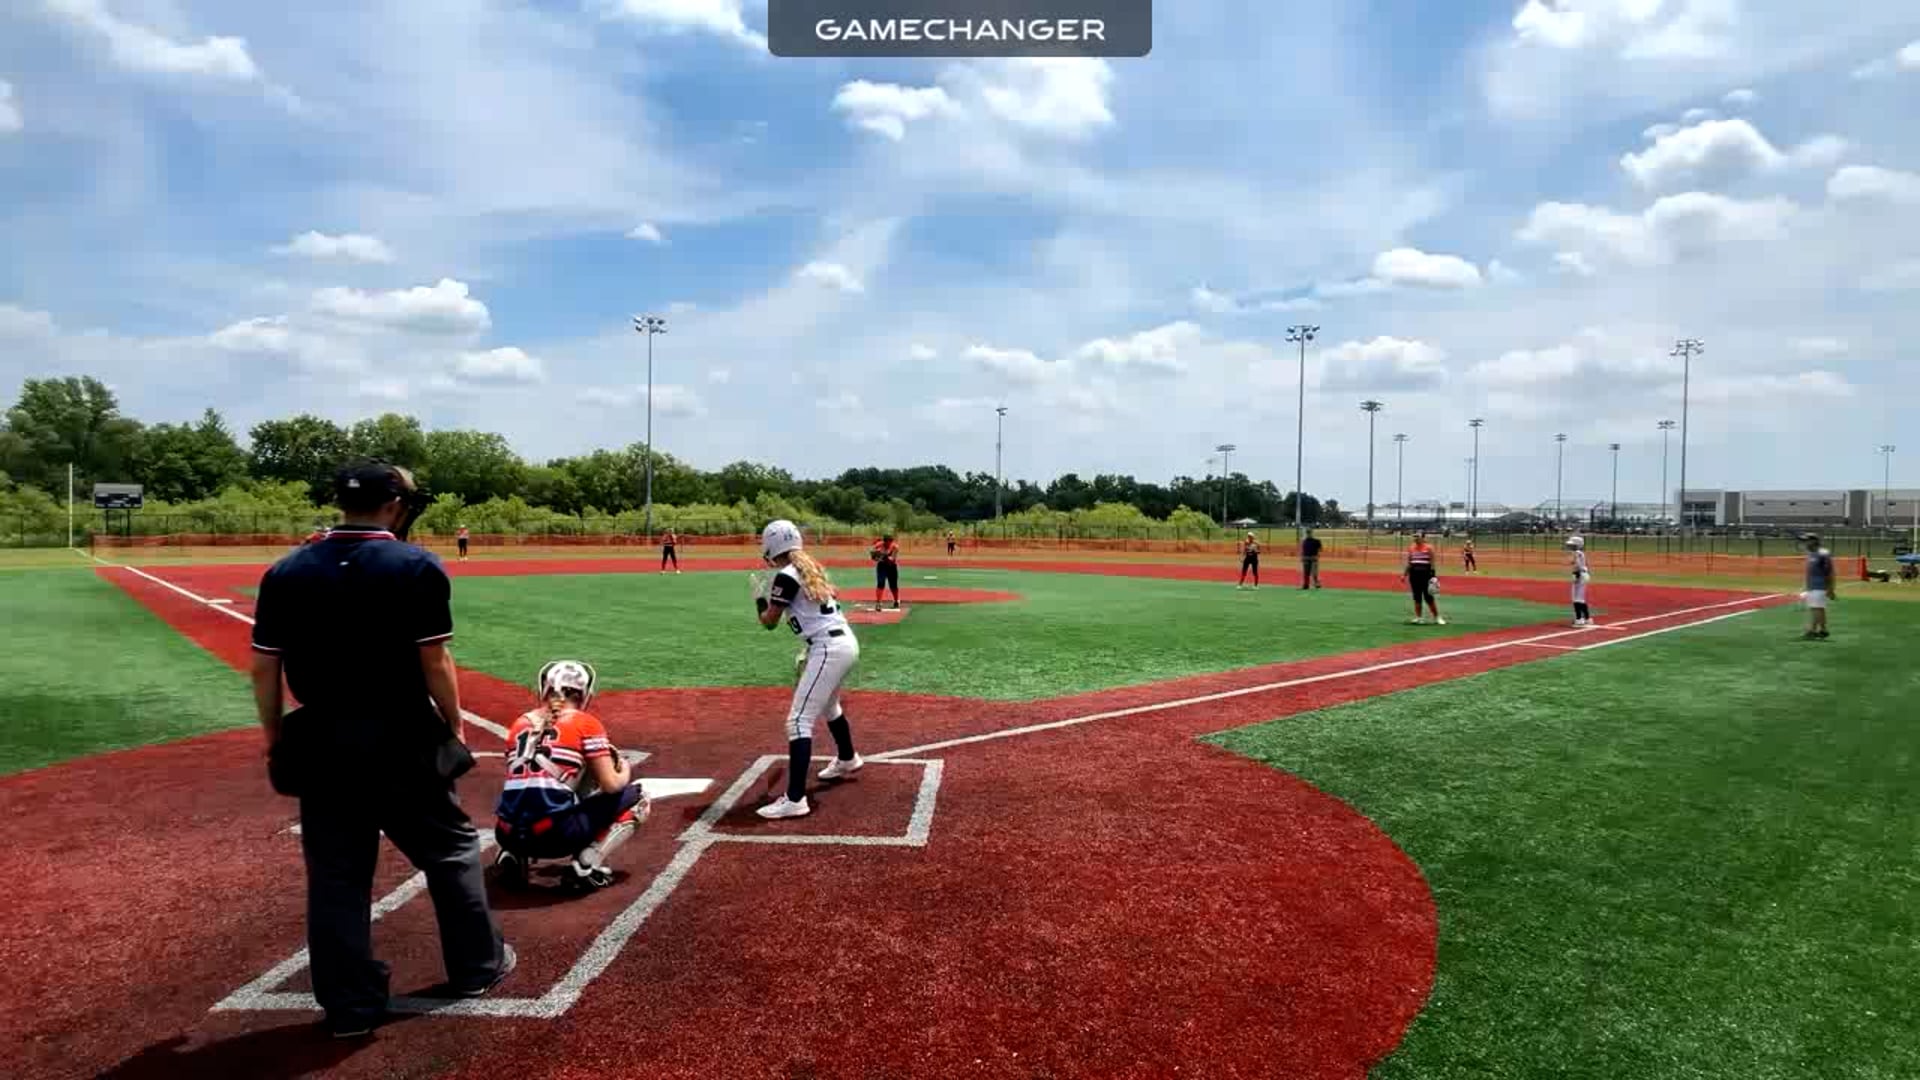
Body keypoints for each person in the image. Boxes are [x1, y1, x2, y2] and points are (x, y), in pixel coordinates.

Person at [250, 458, 511, 1038]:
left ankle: (349, 1008)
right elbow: (434, 659)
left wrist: (274, 737)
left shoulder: (286, 570)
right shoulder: (415, 565)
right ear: (393, 505)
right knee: (450, 851)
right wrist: (453, 725)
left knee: (337, 877)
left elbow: (265, 667)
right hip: (401, 732)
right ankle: (476, 966)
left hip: (322, 736)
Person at [492, 660, 649, 892]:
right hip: (556, 837)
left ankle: (511, 855)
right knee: (640, 798)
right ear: (584, 694)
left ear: (544, 689)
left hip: (506, 833)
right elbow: (611, 785)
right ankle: (586, 865)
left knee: (527, 790)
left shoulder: (519, 724)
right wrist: (624, 768)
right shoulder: (586, 723)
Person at [753, 520, 863, 820]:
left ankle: (795, 799)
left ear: (771, 546)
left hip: (828, 648)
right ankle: (847, 758)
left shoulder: (787, 575)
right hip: (843, 643)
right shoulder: (812, 567)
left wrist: (759, 600)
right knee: (829, 705)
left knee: (798, 721)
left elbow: (769, 622)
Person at [1401, 530, 1446, 625]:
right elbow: (1409, 563)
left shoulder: (1429, 548)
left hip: (1426, 575)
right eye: (1414, 536)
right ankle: (1419, 618)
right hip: (1414, 575)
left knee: (1428, 597)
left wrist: (1433, 576)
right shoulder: (1411, 548)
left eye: (1417, 536)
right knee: (1417, 597)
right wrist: (1404, 575)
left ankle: (1437, 617)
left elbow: (1432, 562)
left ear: (1423, 538)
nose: (1415, 538)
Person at [1801, 532, 1835, 639]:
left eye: (1807, 540)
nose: (1805, 543)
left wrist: (1830, 589)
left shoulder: (1823, 554)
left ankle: (1812, 630)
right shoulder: (1811, 554)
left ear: (1814, 541)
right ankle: (1823, 630)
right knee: (1818, 609)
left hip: (1820, 586)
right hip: (1812, 586)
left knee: (1816, 608)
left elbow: (1829, 572)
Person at [1566, 535, 1594, 627]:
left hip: (1580, 575)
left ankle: (1579, 619)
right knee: (1580, 598)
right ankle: (1587, 618)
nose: (1570, 546)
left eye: (1572, 545)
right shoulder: (1580, 553)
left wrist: (1576, 574)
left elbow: (1578, 565)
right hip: (1583, 574)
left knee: (1576, 598)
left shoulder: (1577, 553)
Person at [870, 532, 902, 610]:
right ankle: (878, 603)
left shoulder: (895, 547)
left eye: (890, 541)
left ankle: (896, 600)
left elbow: (892, 559)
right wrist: (875, 555)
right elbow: (873, 556)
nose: (888, 543)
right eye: (886, 541)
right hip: (882, 566)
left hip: (891, 567)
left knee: (893, 585)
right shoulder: (879, 545)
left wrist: (883, 555)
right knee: (880, 583)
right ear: (884, 541)